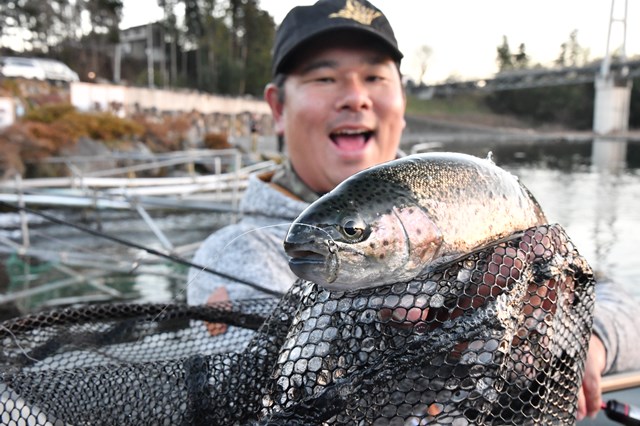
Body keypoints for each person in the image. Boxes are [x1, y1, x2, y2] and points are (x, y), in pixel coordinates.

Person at [187, 0, 640, 421]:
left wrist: (579, 338)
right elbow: (259, 390)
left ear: (402, 104)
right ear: (277, 108)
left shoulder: (466, 200)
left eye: (375, 78)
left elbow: (620, 301)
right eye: (324, 78)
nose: (354, 97)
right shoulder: (238, 253)